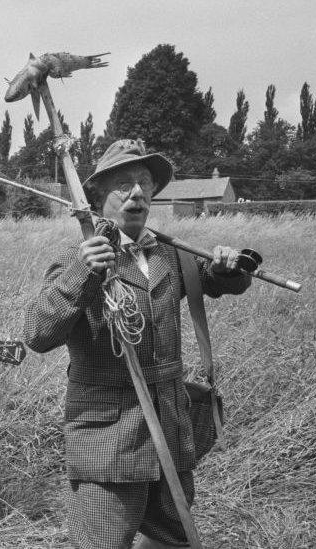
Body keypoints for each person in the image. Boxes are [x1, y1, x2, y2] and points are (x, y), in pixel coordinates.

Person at [22, 139, 252, 549]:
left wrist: (229, 266)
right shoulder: (77, 258)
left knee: (173, 541)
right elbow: (38, 334)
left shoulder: (170, 254)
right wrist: (83, 273)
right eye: (123, 184)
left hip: (170, 429)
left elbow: (220, 281)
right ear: (96, 197)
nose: (137, 193)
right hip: (108, 440)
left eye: (144, 182)